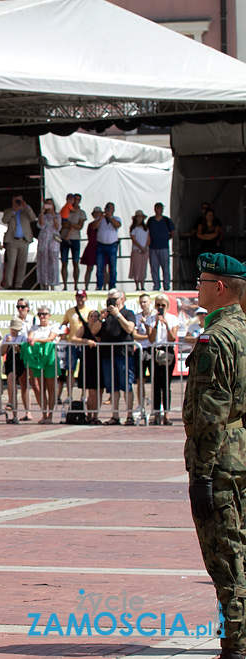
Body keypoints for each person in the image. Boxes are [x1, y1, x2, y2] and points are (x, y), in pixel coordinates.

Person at [183, 253, 246, 659]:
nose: (198, 288)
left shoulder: (216, 338)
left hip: (220, 461)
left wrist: (201, 475)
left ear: (219, 287)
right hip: (241, 452)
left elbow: (210, 413)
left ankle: (236, 644)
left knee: (225, 555)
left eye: (203, 281)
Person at [89, 288, 135, 424]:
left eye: (114, 299)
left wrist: (118, 314)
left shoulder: (128, 313)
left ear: (121, 299)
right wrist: (102, 318)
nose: (111, 302)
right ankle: (115, 415)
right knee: (112, 386)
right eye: (109, 299)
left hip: (124, 354)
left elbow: (129, 328)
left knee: (126, 385)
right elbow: (94, 331)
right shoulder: (106, 315)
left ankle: (130, 415)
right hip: (108, 355)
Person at [23, 305, 59, 424]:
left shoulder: (54, 326)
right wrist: (33, 339)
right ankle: (44, 414)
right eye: (39, 314)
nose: (42, 317)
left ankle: (50, 415)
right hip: (37, 359)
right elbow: (30, 337)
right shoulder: (34, 327)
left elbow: (50, 338)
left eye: (44, 314)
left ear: (49, 315)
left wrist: (37, 340)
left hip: (49, 357)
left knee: (51, 387)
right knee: (39, 387)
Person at [147, 294, 179, 426]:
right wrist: (155, 323)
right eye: (158, 305)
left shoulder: (173, 319)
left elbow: (172, 338)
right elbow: (151, 338)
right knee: (155, 383)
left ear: (167, 306)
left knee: (166, 384)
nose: (160, 308)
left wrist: (166, 324)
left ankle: (166, 413)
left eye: (163, 305)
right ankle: (156, 413)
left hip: (167, 351)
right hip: (155, 350)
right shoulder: (150, 318)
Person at [1, 195, 36, 290]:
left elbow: (33, 218)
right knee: (11, 263)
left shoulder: (26, 211)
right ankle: (8, 284)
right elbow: (4, 220)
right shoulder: (8, 211)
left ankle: (19, 284)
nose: (18, 203)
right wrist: (14, 211)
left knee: (22, 263)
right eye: (16, 201)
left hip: (24, 240)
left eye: (19, 201)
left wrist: (27, 207)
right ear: (12, 201)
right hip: (12, 240)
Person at [0, 317, 28, 424]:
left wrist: (18, 349)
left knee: (22, 386)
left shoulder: (22, 338)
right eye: (12, 329)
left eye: (16, 329)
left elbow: (24, 352)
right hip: (10, 362)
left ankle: (14, 403)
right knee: (11, 383)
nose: (14, 331)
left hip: (19, 362)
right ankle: (14, 411)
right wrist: (7, 344)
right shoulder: (7, 337)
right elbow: (2, 352)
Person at [60, 193, 87, 291]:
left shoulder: (81, 212)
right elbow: (62, 223)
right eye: (75, 199)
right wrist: (73, 225)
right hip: (64, 237)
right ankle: (65, 285)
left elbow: (80, 226)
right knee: (64, 262)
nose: (76, 201)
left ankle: (76, 285)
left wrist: (70, 224)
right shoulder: (66, 209)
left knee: (76, 262)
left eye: (78, 199)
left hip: (75, 238)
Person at [92, 202, 122, 290]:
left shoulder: (116, 218)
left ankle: (112, 286)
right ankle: (99, 285)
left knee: (112, 267)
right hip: (101, 245)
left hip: (112, 245)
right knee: (100, 267)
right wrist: (101, 218)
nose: (109, 210)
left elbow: (117, 225)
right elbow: (94, 227)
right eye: (107, 208)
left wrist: (110, 217)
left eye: (110, 209)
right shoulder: (100, 219)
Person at [147, 202, 175, 291]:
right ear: (155, 209)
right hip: (153, 247)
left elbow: (173, 232)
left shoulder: (167, 220)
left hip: (164, 247)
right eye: (158, 208)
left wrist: (166, 238)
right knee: (154, 268)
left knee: (165, 268)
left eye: (161, 208)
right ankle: (156, 286)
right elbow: (146, 232)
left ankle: (166, 286)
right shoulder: (151, 220)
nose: (159, 209)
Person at [35, 198, 60, 290]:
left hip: (53, 239)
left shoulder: (57, 215)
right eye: (47, 204)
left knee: (53, 261)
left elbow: (58, 227)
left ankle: (53, 284)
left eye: (51, 204)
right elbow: (41, 225)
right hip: (44, 238)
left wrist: (53, 215)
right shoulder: (43, 216)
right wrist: (42, 212)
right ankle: (44, 284)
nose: (49, 206)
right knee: (43, 261)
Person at [129, 211, 150, 292]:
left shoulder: (145, 228)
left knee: (143, 267)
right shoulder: (133, 228)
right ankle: (137, 285)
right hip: (136, 249)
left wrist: (146, 247)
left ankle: (142, 285)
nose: (140, 219)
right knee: (136, 267)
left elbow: (148, 238)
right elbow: (134, 239)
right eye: (138, 217)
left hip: (144, 249)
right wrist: (141, 247)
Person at [80, 209, 100, 291]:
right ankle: (86, 287)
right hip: (92, 247)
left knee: (102, 269)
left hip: (101, 247)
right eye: (96, 213)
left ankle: (102, 286)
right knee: (89, 268)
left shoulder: (104, 224)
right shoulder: (91, 225)